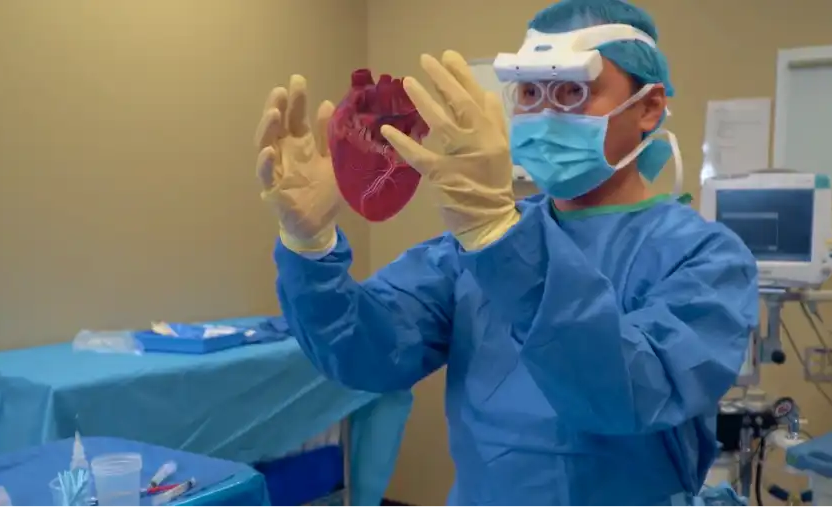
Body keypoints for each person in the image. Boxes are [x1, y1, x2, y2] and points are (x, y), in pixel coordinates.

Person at [253, 1, 759, 505]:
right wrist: (310, 244)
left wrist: (500, 239)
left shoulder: (705, 258)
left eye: (570, 91)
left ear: (648, 108)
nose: (544, 113)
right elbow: (365, 353)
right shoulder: (468, 252)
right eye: (530, 92)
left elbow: (626, 392)